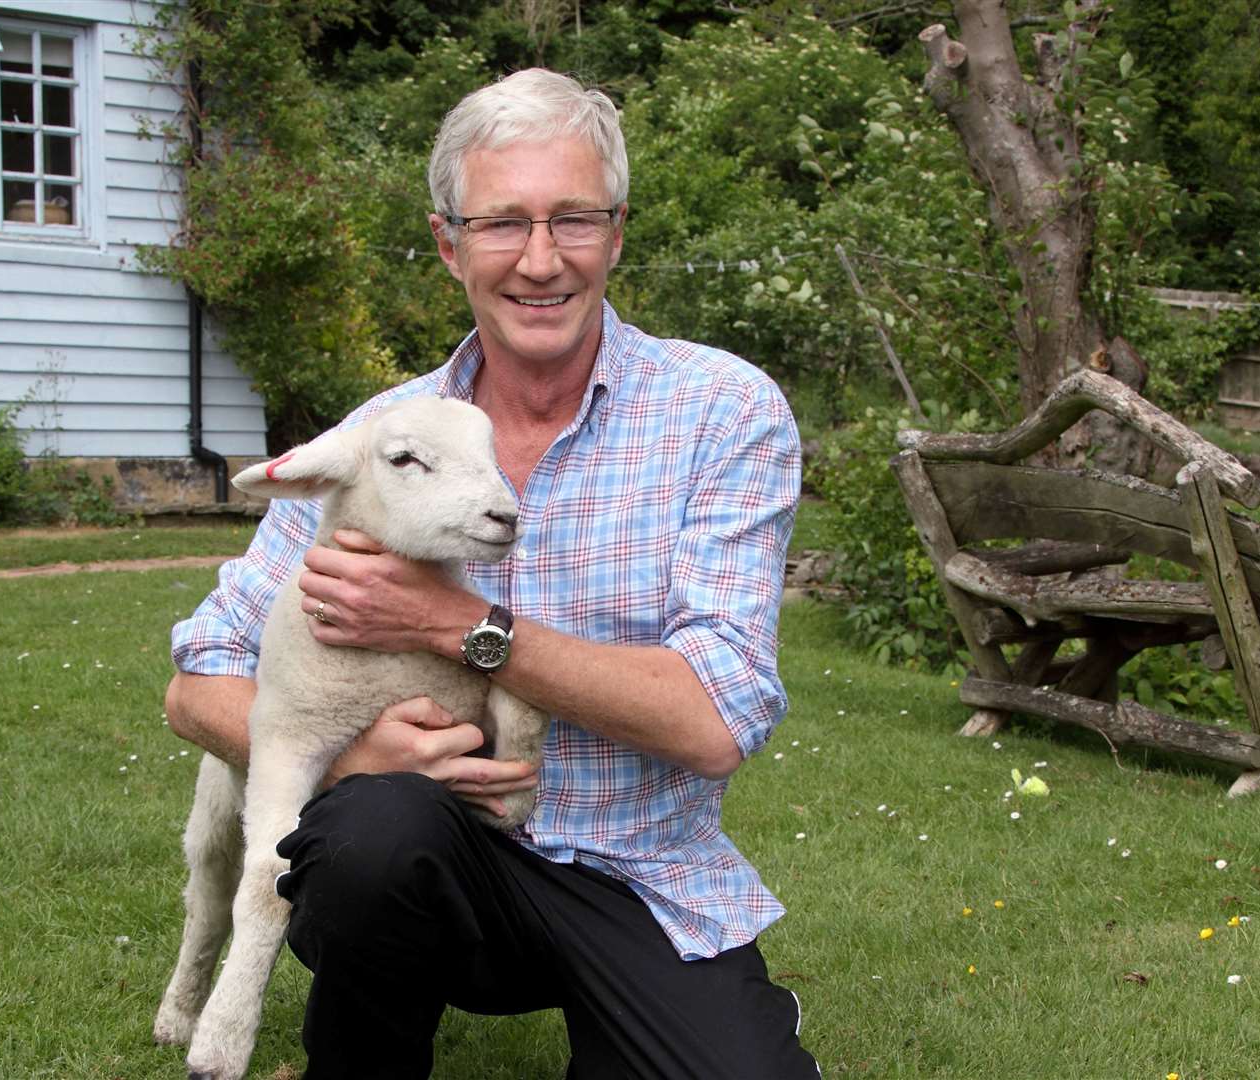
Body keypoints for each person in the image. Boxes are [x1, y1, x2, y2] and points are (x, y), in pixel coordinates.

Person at [167, 68, 818, 1080]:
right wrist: (348, 761)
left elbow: (715, 719)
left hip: (638, 877)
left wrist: (457, 625)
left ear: (618, 231)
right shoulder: (388, 438)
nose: (541, 260)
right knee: (371, 830)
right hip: (425, 861)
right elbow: (198, 677)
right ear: (448, 244)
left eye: (575, 219)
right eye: (502, 223)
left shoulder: (721, 412)